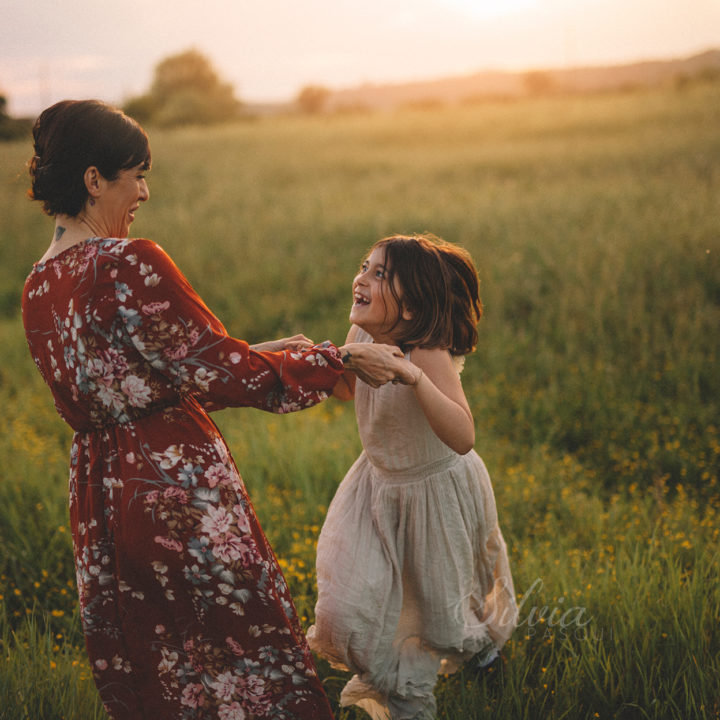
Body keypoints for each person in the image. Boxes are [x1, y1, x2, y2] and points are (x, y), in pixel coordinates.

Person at [22, 99, 410, 720]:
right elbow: (228, 376)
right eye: (136, 174)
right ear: (94, 180)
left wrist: (256, 352)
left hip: (103, 502)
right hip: (176, 492)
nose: (145, 191)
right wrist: (339, 360)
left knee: (161, 668)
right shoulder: (129, 261)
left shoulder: (37, 286)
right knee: (245, 657)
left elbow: (137, 388)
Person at [307, 234, 519, 720]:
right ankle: (386, 668)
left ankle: (467, 659)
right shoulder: (361, 335)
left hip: (434, 492)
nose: (361, 277)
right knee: (347, 601)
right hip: (378, 486)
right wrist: (334, 361)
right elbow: (345, 389)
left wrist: (414, 378)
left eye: (380, 274)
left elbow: (463, 435)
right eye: (365, 266)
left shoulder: (427, 353)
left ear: (410, 306)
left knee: (434, 605)